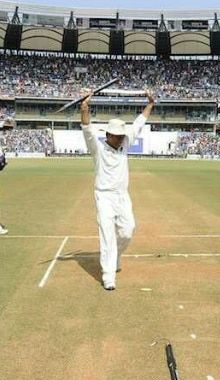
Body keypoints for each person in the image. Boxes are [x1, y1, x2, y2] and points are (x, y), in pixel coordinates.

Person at [80, 90, 155, 290]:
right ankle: (108, 275)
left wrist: (150, 104)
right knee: (107, 235)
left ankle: (116, 256)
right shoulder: (96, 146)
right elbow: (87, 127)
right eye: (117, 136)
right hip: (103, 196)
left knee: (127, 231)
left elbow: (139, 123)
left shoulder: (126, 140)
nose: (121, 139)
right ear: (108, 134)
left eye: (122, 135)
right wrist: (84, 106)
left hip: (122, 196)